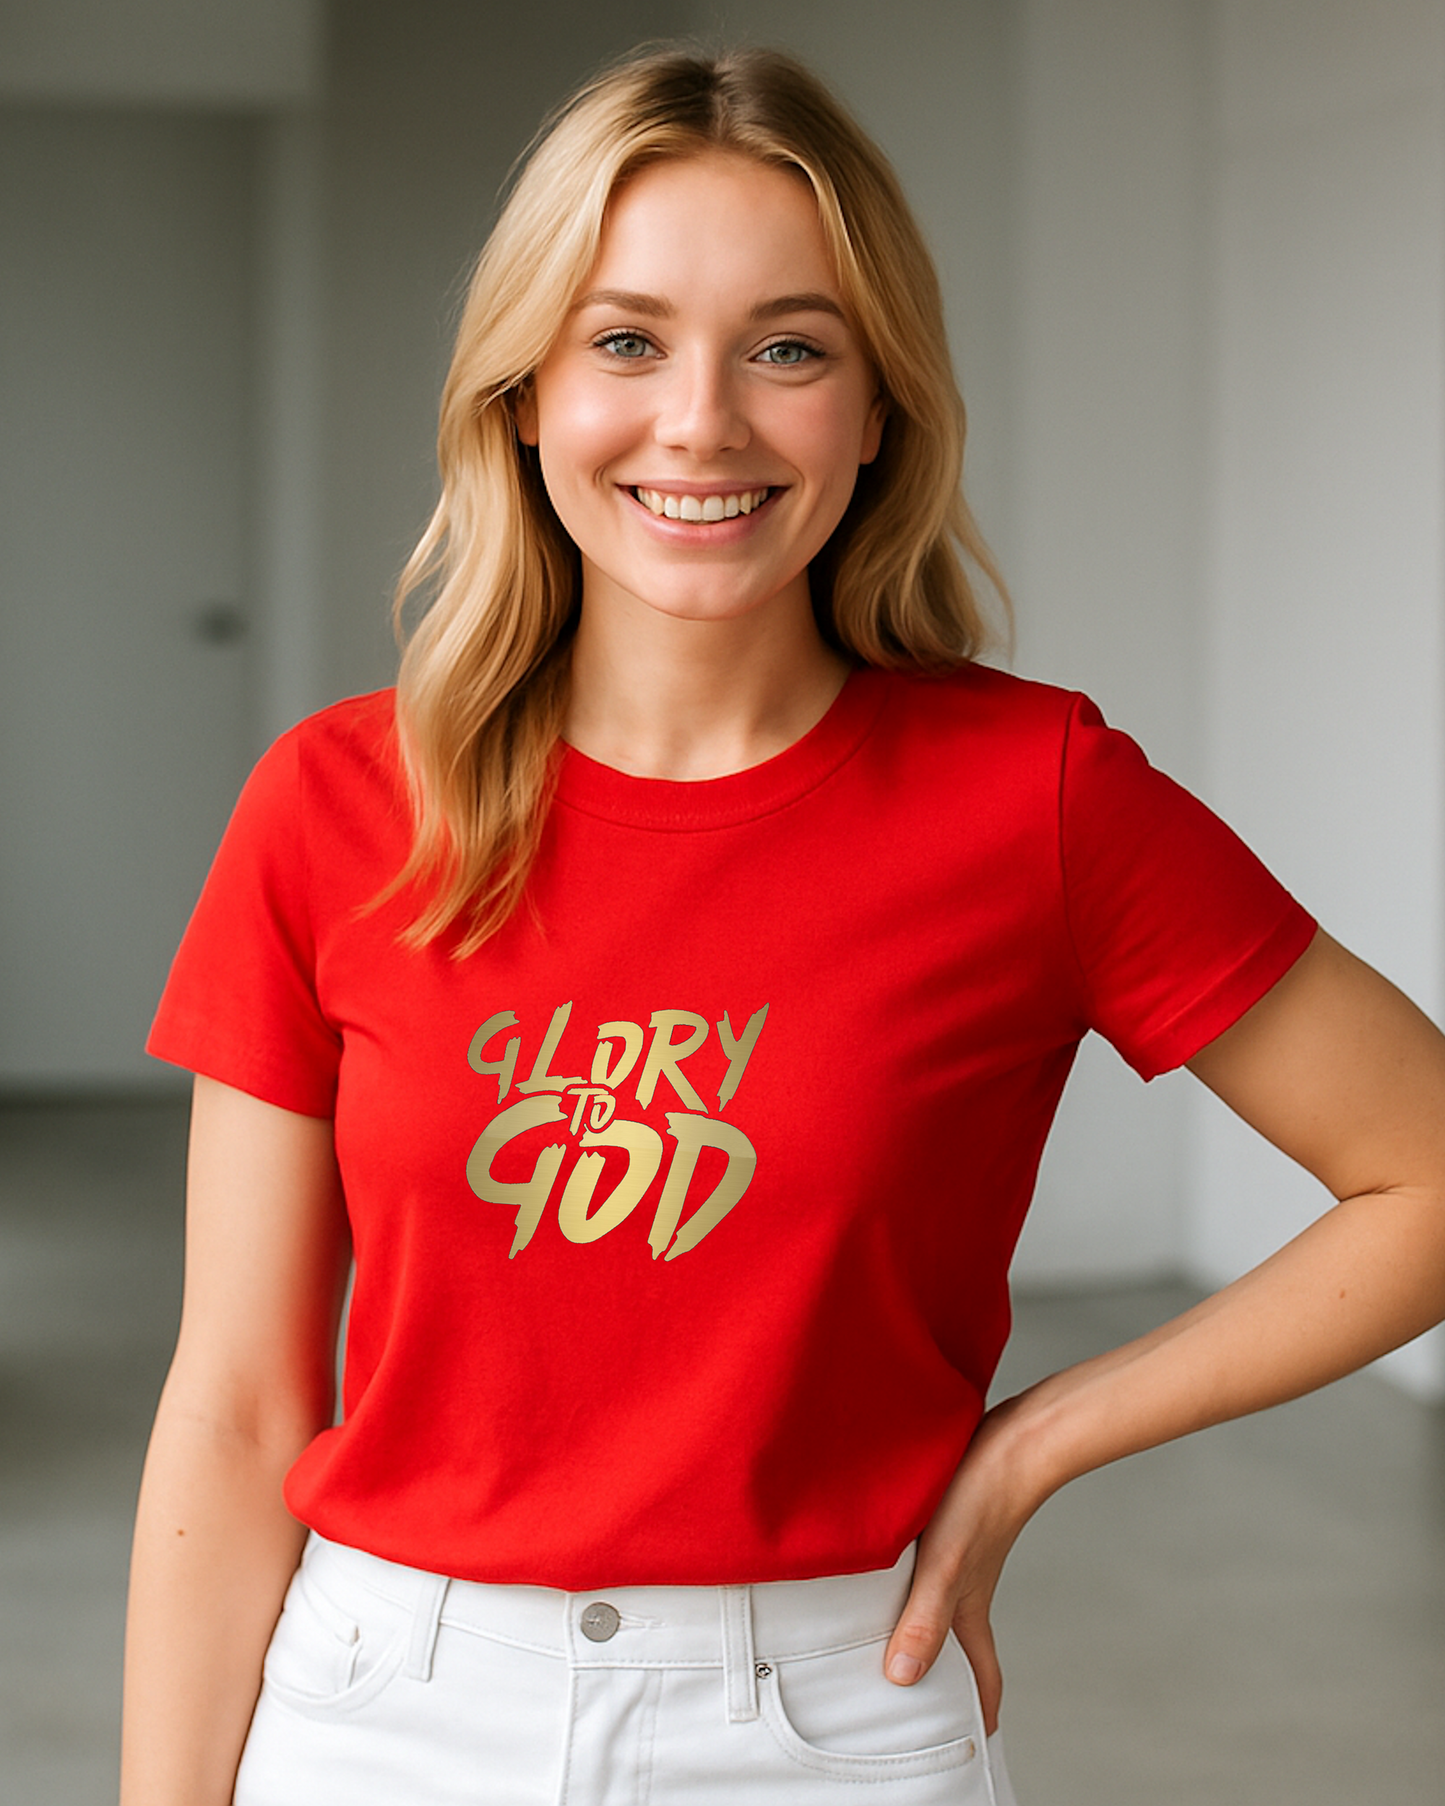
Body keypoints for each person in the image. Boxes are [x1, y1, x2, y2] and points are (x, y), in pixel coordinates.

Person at [120, 41, 1445, 1806]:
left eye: (791, 347)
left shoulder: (1032, 797)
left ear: (877, 403)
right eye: (626, 340)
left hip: (825, 1718)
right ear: (522, 392)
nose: (702, 422)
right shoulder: (336, 802)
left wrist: (1038, 1438)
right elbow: (234, 1405)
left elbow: (1422, 1167)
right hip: (384, 1707)